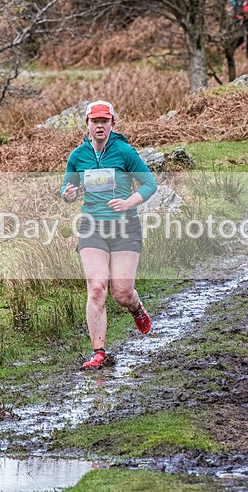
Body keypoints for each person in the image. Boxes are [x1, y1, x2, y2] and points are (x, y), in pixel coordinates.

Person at [60, 100, 158, 369]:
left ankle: (136, 308)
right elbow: (67, 188)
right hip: (92, 227)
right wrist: (68, 194)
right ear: (87, 125)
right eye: (95, 121)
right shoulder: (78, 156)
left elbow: (150, 184)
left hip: (126, 228)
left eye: (105, 121)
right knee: (96, 289)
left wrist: (130, 202)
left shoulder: (125, 152)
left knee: (122, 294)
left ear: (113, 124)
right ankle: (99, 353)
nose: (100, 125)